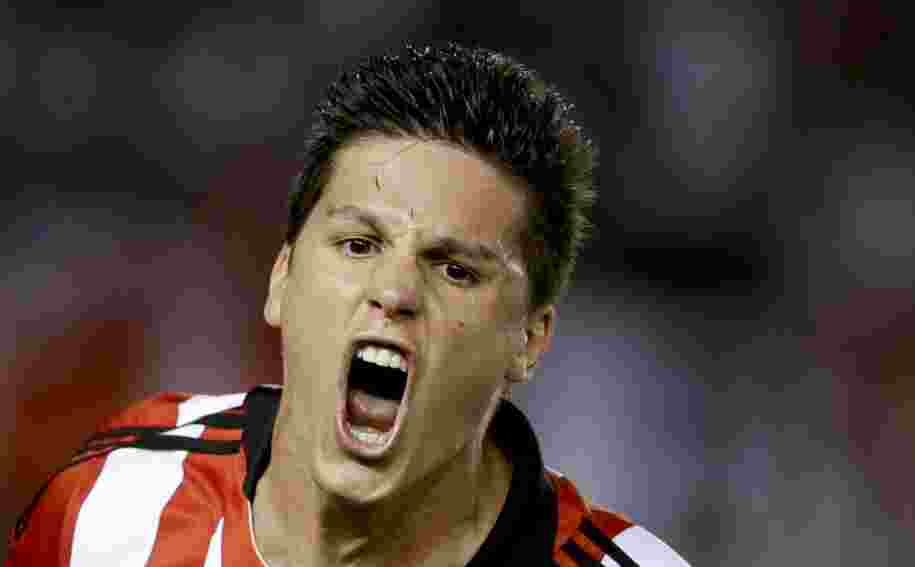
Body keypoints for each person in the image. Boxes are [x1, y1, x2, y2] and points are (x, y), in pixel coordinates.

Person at [6, 42, 691, 566]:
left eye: (454, 268)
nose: (393, 292)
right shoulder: (105, 508)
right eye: (360, 244)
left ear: (531, 338)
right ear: (281, 277)